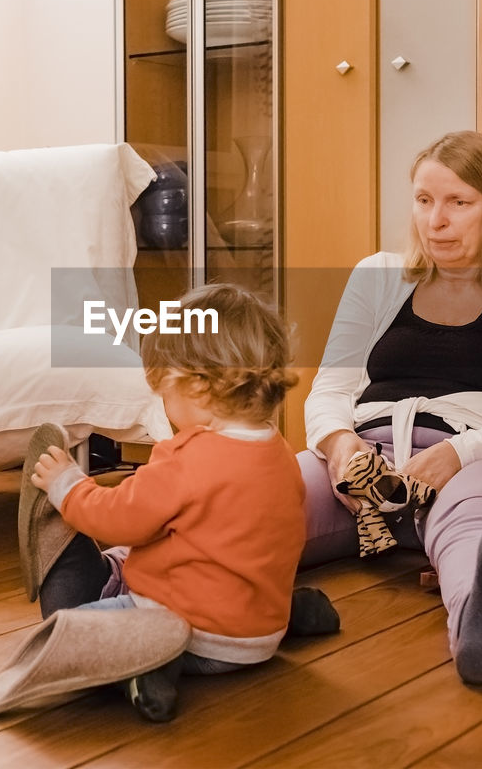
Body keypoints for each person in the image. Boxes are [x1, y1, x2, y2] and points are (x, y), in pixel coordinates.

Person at [298, 130, 482, 685]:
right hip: (361, 471)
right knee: (253, 491)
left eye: (458, 202)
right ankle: (111, 578)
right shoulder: (376, 275)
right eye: (424, 200)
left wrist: (456, 453)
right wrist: (338, 444)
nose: (435, 221)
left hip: (472, 468)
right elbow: (328, 391)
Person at [28, 283, 336, 721]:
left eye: (165, 394)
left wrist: (67, 486)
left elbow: (116, 520)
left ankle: (143, 669)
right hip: (258, 637)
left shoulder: (187, 457)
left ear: (196, 388)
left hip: (188, 636)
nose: (165, 407)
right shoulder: (280, 453)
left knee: (68, 625)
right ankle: (295, 612)